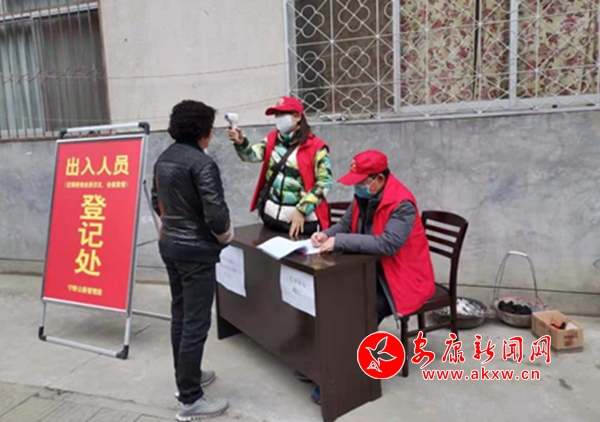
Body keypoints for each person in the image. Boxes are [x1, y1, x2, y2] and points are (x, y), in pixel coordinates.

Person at [308, 149, 436, 404]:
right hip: (370, 270)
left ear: (378, 179)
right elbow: (344, 225)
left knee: (360, 312)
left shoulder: (402, 204)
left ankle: (344, 377)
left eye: (361, 182)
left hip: (401, 278)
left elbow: (388, 244)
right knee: (334, 299)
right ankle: (322, 364)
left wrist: (340, 241)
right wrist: (326, 234)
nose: (356, 188)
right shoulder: (363, 197)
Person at [152, 100, 232, 421]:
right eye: (210, 127)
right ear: (202, 131)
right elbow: (215, 214)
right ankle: (190, 400)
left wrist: (173, 226)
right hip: (196, 253)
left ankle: (189, 376)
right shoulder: (202, 163)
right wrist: (225, 235)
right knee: (196, 322)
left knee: (181, 317)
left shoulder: (164, 158)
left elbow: (157, 201)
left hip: (170, 245)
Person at [227, 97, 332, 237]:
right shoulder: (272, 139)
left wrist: (302, 210)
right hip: (271, 218)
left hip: (300, 222)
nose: (278, 118)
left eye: (282, 114)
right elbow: (251, 156)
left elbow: (324, 183)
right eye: (276, 114)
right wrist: (241, 143)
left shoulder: (316, 147)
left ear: (297, 116)